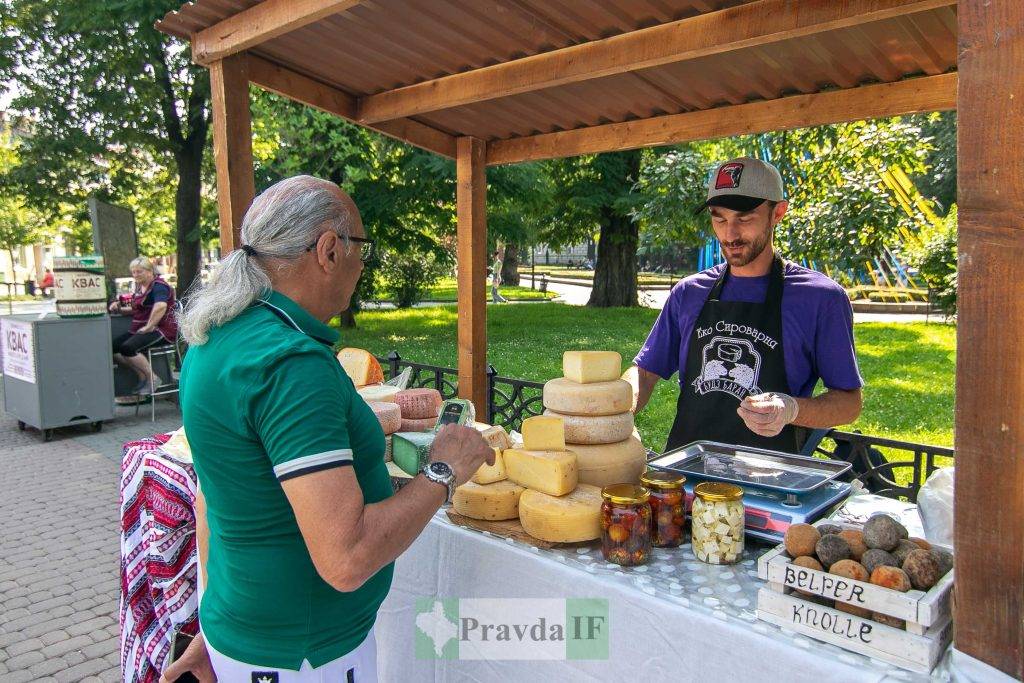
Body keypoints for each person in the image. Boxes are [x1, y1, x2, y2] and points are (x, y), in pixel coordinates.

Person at [162, 176, 493, 682]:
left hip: (251, 632)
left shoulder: (217, 338)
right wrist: (443, 471)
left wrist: (215, 627)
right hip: (305, 654)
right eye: (361, 248)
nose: (363, 265)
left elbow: (216, 497)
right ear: (329, 250)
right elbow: (347, 558)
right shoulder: (291, 364)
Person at [628, 157, 863, 453]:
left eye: (744, 217)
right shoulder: (688, 293)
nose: (730, 234)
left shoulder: (820, 298)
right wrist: (618, 409)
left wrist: (790, 409)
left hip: (771, 483)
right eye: (719, 218)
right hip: (689, 473)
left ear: (778, 212)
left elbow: (849, 402)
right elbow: (645, 372)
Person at [108, 256, 177, 396]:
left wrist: (149, 326)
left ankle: (153, 378)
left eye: (139, 272)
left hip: (161, 330)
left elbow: (161, 306)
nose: (135, 275)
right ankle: (143, 376)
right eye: (133, 272)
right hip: (140, 328)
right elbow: (137, 309)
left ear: (150, 271)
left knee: (128, 348)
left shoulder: (159, 286)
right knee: (113, 348)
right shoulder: (140, 287)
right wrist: (119, 309)